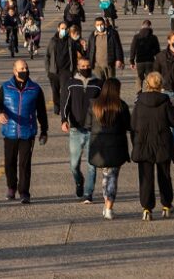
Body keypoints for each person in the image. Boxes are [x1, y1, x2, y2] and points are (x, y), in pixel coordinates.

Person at [0, 60, 49, 204]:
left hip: (27, 132)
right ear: (14, 71)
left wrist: (44, 130)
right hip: (10, 131)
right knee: (9, 162)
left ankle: (24, 192)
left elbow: (41, 111)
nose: (24, 70)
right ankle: (11, 187)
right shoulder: (6, 87)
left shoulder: (35, 89)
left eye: (26, 68)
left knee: (24, 164)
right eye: (21, 68)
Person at [131, 72, 174, 221]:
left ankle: (147, 208)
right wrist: (173, 107)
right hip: (162, 142)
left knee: (146, 178)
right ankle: (166, 205)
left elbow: (132, 125)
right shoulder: (166, 101)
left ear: (147, 84)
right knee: (164, 175)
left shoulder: (139, 102)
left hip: (144, 143)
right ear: (160, 85)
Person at [87, 78, 131, 220]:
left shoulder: (94, 105)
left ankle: (106, 204)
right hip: (116, 146)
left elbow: (87, 124)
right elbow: (128, 125)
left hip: (98, 146)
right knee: (112, 177)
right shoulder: (120, 106)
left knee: (106, 175)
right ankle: (108, 207)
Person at [61, 58, 103, 203]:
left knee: (92, 164)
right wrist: (64, 120)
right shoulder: (71, 83)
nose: (85, 68)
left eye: (88, 66)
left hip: (93, 130)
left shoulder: (98, 84)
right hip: (75, 129)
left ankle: (88, 193)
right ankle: (79, 181)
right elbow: (65, 103)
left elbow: (102, 106)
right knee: (74, 165)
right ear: (78, 67)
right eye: (82, 66)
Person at [45, 22, 77, 115]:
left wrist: (73, 70)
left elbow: (75, 56)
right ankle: (57, 105)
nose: (64, 30)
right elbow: (47, 56)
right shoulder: (53, 41)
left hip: (66, 71)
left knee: (64, 91)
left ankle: (64, 108)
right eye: (62, 28)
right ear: (58, 29)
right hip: (54, 71)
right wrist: (48, 71)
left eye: (66, 28)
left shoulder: (71, 41)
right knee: (55, 91)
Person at [130, 20, 161, 92]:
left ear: (142, 26)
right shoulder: (154, 37)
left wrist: (132, 61)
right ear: (150, 26)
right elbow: (157, 51)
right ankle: (149, 92)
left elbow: (133, 49)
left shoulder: (136, 37)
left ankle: (139, 93)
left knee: (139, 77)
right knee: (150, 77)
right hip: (150, 61)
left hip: (139, 61)